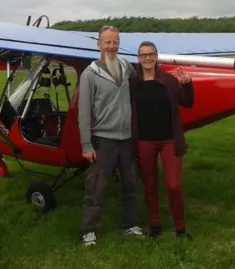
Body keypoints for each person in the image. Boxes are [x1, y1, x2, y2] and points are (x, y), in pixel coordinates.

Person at [77, 25, 144, 246]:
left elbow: (143, 80)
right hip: (103, 140)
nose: (112, 46)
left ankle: (130, 224)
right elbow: (84, 111)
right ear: (99, 44)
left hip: (126, 139)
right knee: (96, 187)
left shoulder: (126, 68)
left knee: (130, 184)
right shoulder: (90, 74)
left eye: (115, 42)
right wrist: (87, 145)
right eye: (107, 42)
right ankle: (88, 231)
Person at [129, 41, 194, 239]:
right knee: (149, 185)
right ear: (138, 59)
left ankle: (180, 229)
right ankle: (154, 225)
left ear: (156, 57)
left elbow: (188, 102)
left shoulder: (168, 80)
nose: (147, 58)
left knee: (173, 185)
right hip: (144, 141)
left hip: (169, 141)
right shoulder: (134, 83)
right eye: (143, 55)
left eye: (150, 54)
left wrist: (187, 84)